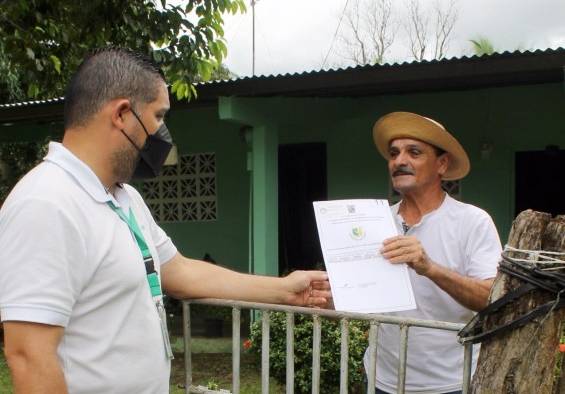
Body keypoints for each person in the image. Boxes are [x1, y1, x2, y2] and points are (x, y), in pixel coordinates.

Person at [0, 48, 331, 394]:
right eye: (158, 116)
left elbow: (180, 271)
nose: (161, 132)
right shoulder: (47, 203)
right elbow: (28, 355)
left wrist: (284, 290)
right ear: (123, 114)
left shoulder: (123, 198)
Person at [366, 112, 502, 394]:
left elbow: (492, 299)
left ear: (442, 164)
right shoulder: (376, 222)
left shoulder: (472, 221)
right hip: (382, 378)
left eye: (414, 152)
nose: (399, 161)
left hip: (449, 382)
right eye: (394, 153)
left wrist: (430, 268)